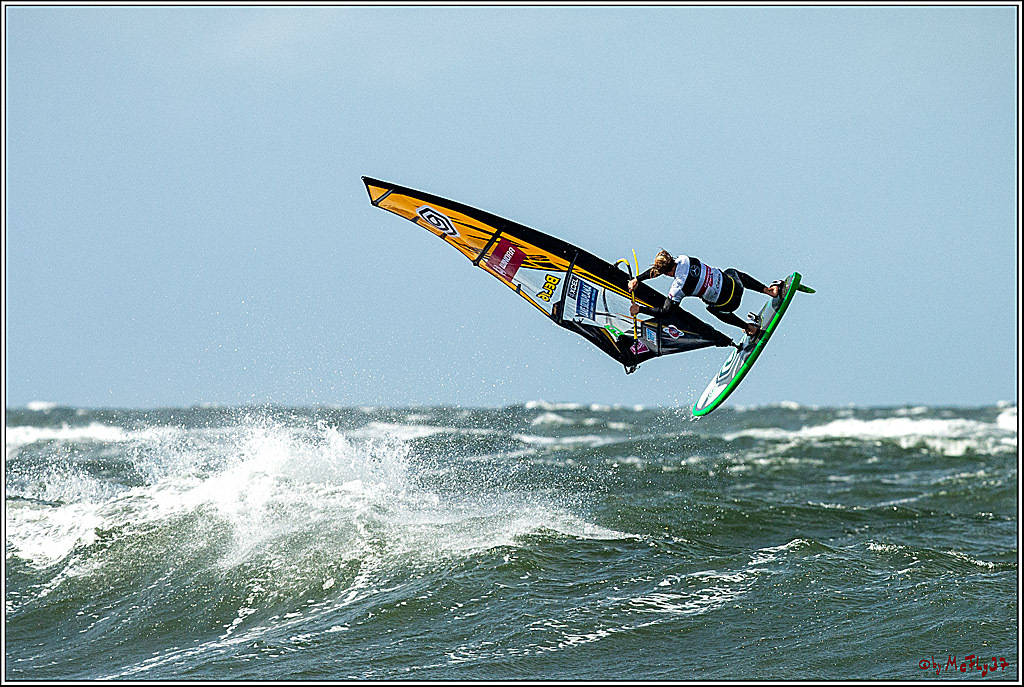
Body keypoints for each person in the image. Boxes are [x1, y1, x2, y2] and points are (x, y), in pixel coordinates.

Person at [628, 250, 781, 338]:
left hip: (729, 303)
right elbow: (661, 270)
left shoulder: (678, 288)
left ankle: (749, 328)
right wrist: (638, 279)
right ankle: (770, 291)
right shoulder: (685, 259)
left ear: (664, 272)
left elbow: (665, 312)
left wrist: (640, 309)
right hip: (737, 286)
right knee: (731, 272)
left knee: (711, 308)